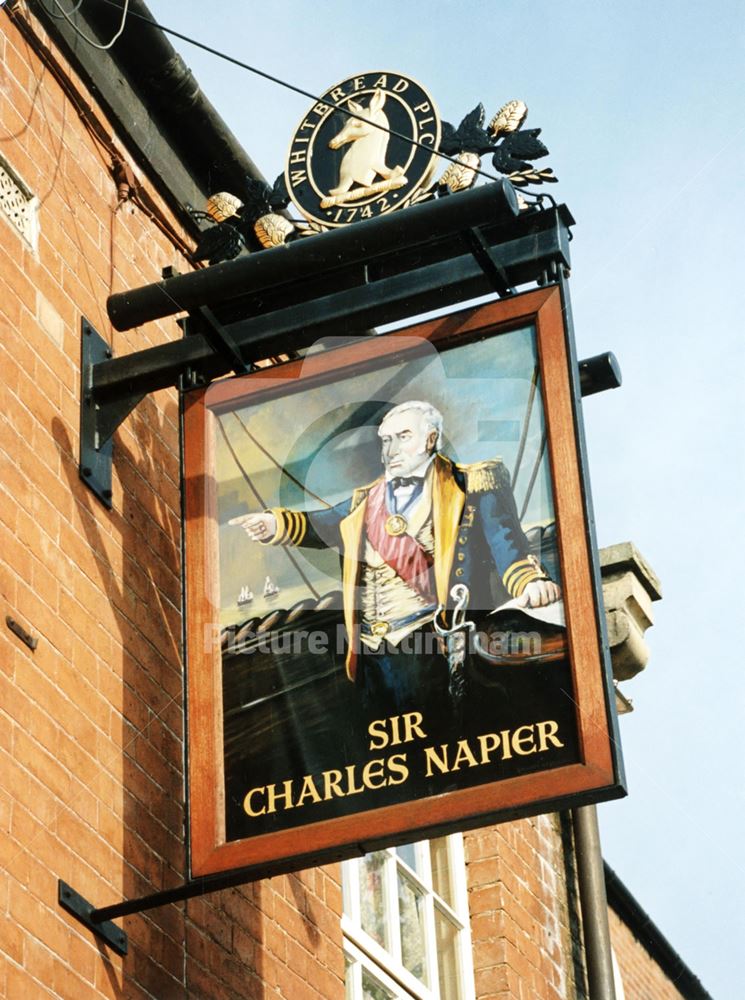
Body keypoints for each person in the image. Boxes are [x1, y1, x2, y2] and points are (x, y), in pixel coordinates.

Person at [231, 400, 560, 719]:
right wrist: (275, 524)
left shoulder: (471, 485)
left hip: (434, 640)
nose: (390, 450)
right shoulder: (367, 499)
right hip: (372, 649)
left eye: (403, 437)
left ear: (431, 440)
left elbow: (506, 542)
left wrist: (530, 581)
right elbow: (324, 524)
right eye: (386, 441)